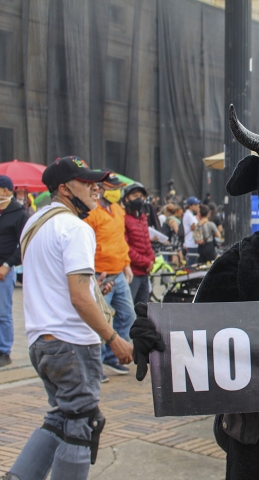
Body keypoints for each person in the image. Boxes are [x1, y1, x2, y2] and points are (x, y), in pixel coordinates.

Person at [8, 157, 133, 480]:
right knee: (83, 423)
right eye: (86, 182)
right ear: (64, 189)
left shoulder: (36, 224)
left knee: (62, 416)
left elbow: (59, 284)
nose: (96, 188)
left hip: (42, 341)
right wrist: (113, 338)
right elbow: (79, 297)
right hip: (72, 343)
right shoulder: (75, 228)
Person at [85, 173, 136, 379]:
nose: (117, 191)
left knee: (127, 315)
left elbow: (121, 240)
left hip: (119, 273)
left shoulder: (118, 210)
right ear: (101, 188)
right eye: (112, 187)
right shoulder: (92, 213)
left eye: (118, 187)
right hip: (100, 273)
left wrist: (126, 265)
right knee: (100, 320)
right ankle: (94, 365)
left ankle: (111, 355)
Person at [0, 176, 29, 368]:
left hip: (5, 268)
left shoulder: (19, 213)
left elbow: (24, 243)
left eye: (5, 189)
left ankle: (4, 350)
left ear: (10, 191)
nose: (2, 193)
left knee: (3, 312)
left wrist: (7, 264)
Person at [123, 183, 156, 305]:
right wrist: (146, 262)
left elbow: (146, 242)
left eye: (141, 196)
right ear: (126, 198)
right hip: (133, 272)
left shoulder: (142, 217)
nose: (139, 199)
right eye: (135, 196)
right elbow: (126, 247)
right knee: (129, 310)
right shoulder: (123, 217)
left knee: (143, 309)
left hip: (145, 272)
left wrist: (151, 259)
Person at [183, 196, 201, 266]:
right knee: (191, 263)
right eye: (195, 205)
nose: (197, 206)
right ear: (190, 206)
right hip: (190, 242)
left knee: (193, 261)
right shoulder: (188, 215)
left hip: (193, 242)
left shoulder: (191, 215)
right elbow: (194, 227)